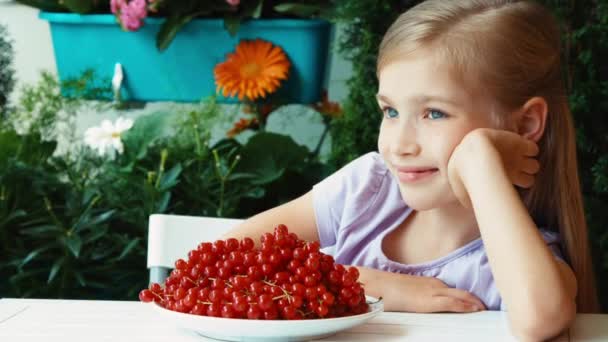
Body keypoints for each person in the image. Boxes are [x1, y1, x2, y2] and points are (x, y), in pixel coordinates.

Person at [222, 0, 599, 339]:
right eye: (390, 111)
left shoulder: (509, 264)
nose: (400, 145)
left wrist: (480, 162)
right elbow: (227, 259)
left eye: (434, 113)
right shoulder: (367, 190)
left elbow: (542, 320)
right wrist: (369, 284)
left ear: (525, 124)